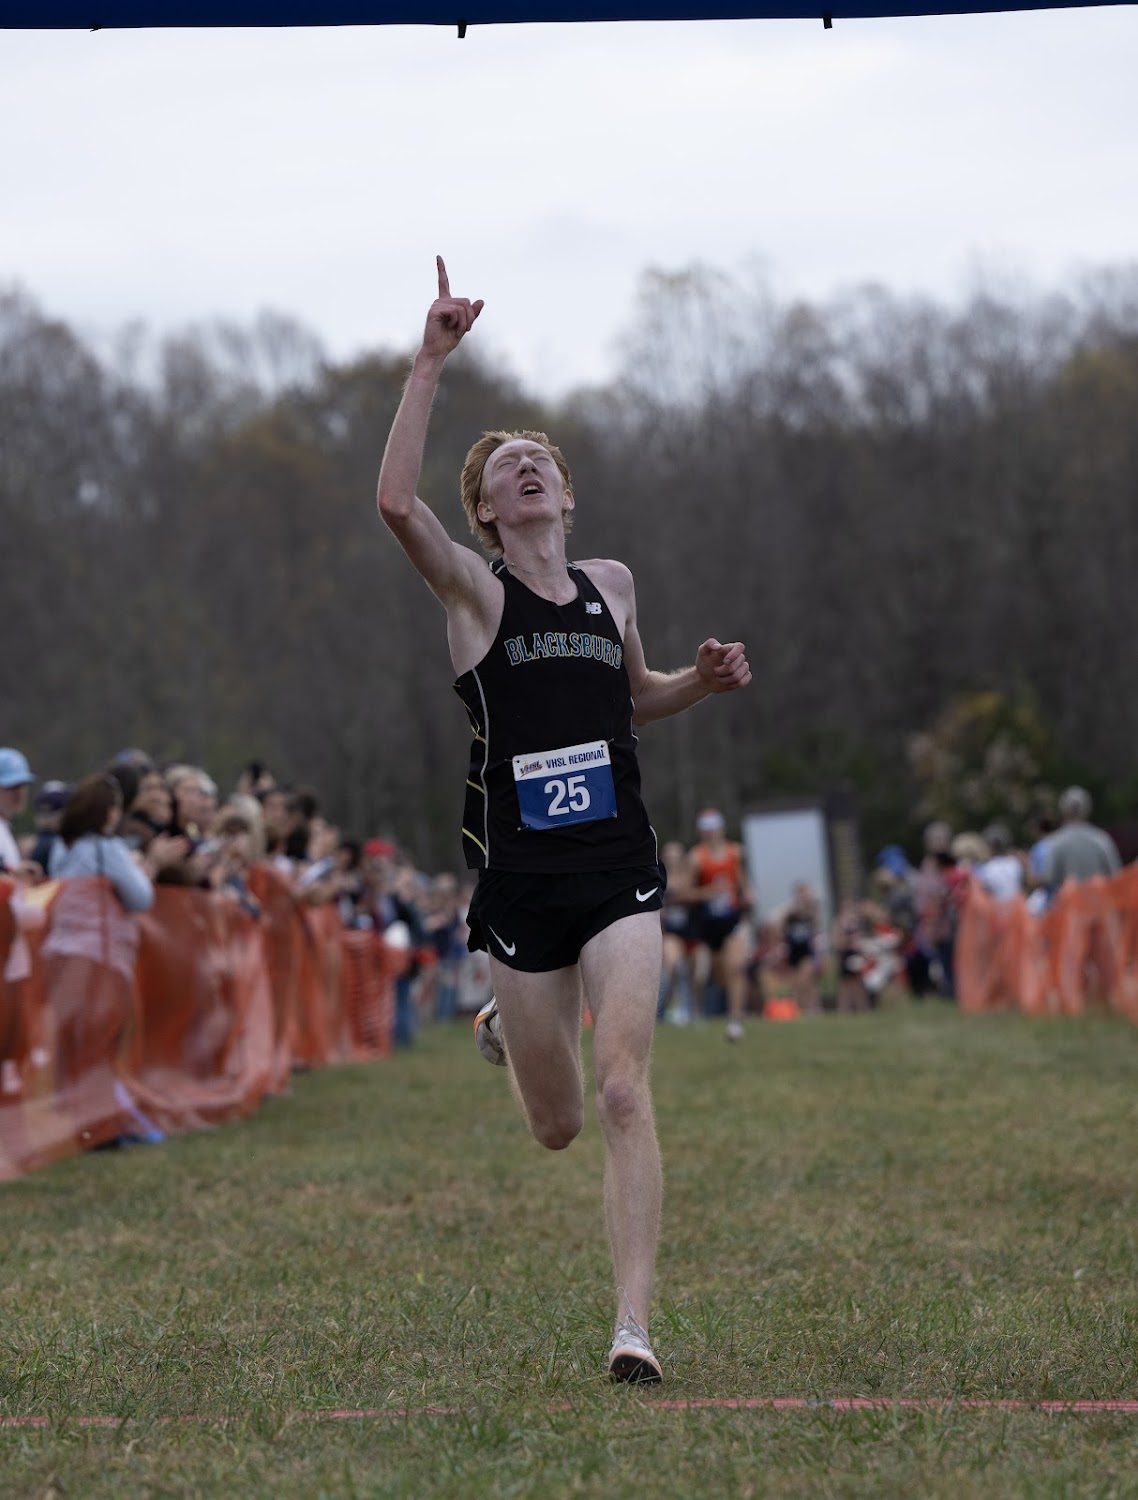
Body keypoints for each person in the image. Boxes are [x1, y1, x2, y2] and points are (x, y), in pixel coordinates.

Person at [376, 258, 750, 1384]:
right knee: (559, 1124)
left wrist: (699, 682)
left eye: (542, 459)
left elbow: (635, 699)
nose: (528, 466)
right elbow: (395, 506)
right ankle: (507, 1018)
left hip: (618, 866)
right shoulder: (475, 594)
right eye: (506, 468)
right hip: (519, 881)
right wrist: (429, 361)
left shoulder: (612, 585)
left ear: (567, 495)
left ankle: (633, 1328)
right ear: (487, 512)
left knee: (626, 1087)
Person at [687, 808, 754, 1041]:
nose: (711, 833)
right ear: (701, 832)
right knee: (708, 975)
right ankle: (697, 1013)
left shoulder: (735, 853)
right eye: (706, 829)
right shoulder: (696, 857)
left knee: (736, 967)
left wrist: (747, 894)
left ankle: (735, 1021)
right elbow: (685, 893)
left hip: (731, 920)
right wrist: (707, 892)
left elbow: (742, 884)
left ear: (721, 829)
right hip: (705, 925)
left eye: (714, 828)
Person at [1042, 787, 1122, 890]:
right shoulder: (1101, 839)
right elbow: (1116, 875)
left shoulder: (1056, 841)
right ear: (1087, 809)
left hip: (1068, 899)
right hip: (1098, 898)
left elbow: (1049, 878)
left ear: (1063, 810)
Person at [0, 747, 40, 882]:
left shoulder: (4, 825)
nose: (19, 793)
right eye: (11, 786)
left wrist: (13, 871)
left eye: (22, 786)